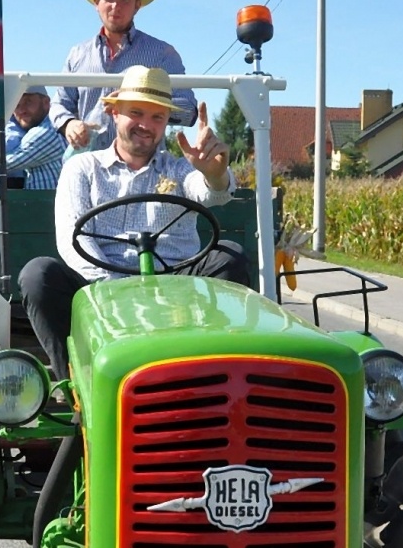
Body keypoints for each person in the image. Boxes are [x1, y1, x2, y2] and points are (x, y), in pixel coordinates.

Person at [20, 66, 250, 378]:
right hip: (99, 286)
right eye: (136, 112)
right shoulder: (83, 168)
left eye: (157, 117)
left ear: (166, 122)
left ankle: (210, 374)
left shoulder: (179, 169)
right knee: (37, 274)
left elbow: (211, 193)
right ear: (114, 113)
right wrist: (116, 290)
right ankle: (76, 384)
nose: (146, 125)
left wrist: (214, 173)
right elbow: (73, 237)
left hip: (176, 281)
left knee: (229, 256)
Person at [48, 0, 197, 153]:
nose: (115, 6)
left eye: (125, 0)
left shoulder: (162, 54)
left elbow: (190, 112)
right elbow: (59, 104)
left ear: (137, 6)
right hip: (87, 167)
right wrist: (69, 124)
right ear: (96, 2)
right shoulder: (77, 54)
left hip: (146, 171)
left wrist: (140, 101)